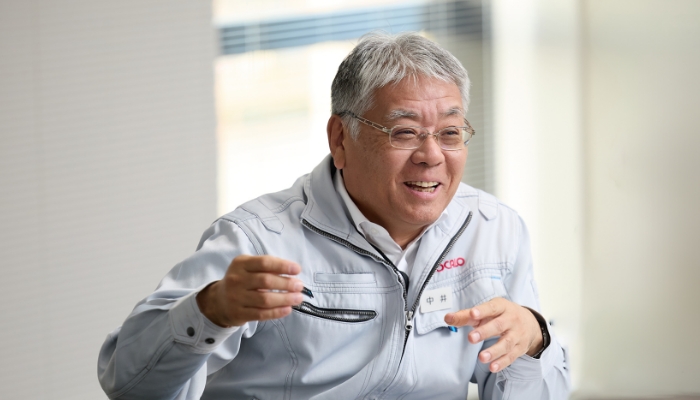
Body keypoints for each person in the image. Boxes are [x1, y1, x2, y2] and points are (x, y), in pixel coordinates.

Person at [98, 32, 570, 399]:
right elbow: (128, 382)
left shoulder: (494, 229)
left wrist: (535, 341)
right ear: (341, 139)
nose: (431, 156)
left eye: (450, 133)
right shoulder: (258, 240)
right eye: (404, 133)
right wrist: (211, 309)